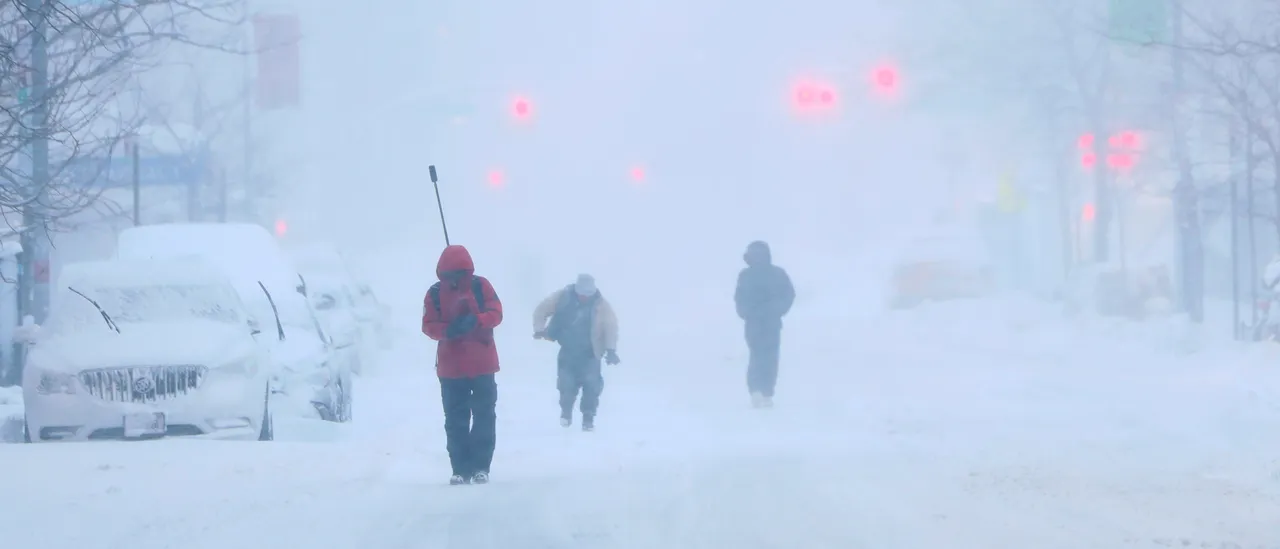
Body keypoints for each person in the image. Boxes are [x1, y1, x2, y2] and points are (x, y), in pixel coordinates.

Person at [421, 245, 504, 485]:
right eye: (450, 275)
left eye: (460, 274)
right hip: (451, 368)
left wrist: (476, 320)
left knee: (483, 416)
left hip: (482, 365)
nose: (455, 280)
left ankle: (480, 466)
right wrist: (449, 330)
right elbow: (428, 325)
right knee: (456, 419)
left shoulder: (480, 286)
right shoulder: (435, 293)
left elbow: (496, 313)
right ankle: (460, 467)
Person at [532, 274, 620, 431]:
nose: (585, 297)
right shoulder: (562, 297)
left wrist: (611, 350)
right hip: (568, 351)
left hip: (591, 353)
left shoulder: (601, 305)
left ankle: (588, 418)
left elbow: (610, 327)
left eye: (588, 294)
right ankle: (566, 413)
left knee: (592, 386)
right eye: (582, 293)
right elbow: (541, 310)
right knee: (566, 385)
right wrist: (539, 329)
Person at [734, 240, 795, 408]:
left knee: (770, 358)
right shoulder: (745, 275)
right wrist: (745, 312)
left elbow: (789, 294)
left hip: (772, 323)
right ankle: (756, 391)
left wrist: (778, 309)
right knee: (757, 355)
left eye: (759, 253)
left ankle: (767, 392)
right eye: (754, 253)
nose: (756, 257)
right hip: (754, 323)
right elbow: (739, 298)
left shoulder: (778, 274)